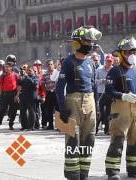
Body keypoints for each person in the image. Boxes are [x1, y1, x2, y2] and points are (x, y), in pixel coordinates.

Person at [56, 26, 102, 180]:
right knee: (73, 138)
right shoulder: (69, 61)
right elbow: (59, 87)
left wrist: (97, 107)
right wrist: (62, 108)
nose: (89, 44)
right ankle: (72, 174)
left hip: (90, 103)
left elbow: (94, 86)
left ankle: (84, 174)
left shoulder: (91, 62)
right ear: (77, 42)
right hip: (73, 102)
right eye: (86, 41)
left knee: (89, 139)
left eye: (90, 41)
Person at [104, 37, 136, 180]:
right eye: (128, 51)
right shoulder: (115, 71)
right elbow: (108, 91)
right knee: (118, 139)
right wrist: (123, 96)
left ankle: (135, 168)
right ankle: (113, 171)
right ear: (121, 53)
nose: (131, 54)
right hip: (121, 108)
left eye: (133, 51)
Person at [0, 62, 20, 130]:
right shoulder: (3, 75)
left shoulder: (16, 75)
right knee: (1, 110)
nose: (6, 68)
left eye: (7, 67)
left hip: (13, 94)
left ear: (11, 67)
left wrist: (17, 95)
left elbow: (18, 86)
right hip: (4, 94)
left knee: (13, 110)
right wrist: (0, 95)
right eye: (5, 67)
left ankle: (11, 124)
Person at [95, 54, 113, 135]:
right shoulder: (99, 69)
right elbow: (94, 80)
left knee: (108, 112)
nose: (109, 63)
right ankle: (96, 129)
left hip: (110, 93)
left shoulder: (114, 70)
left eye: (110, 61)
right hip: (100, 92)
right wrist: (101, 81)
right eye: (107, 61)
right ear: (105, 61)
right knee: (101, 112)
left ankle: (107, 129)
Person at [17, 65, 39, 130]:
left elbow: (34, 85)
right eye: (28, 70)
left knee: (31, 112)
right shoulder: (25, 77)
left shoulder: (35, 77)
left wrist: (27, 77)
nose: (29, 72)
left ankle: (31, 126)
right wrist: (21, 77)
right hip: (23, 96)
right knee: (22, 112)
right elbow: (19, 83)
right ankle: (24, 126)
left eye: (30, 70)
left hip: (31, 97)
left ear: (33, 71)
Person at [41, 60, 58, 130]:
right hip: (49, 93)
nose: (50, 66)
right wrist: (45, 92)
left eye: (51, 64)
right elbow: (42, 84)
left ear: (54, 65)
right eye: (48, 64)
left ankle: (59, 125)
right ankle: (50, 125)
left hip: (56, 93)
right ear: (46, 66)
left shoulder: (57, 73)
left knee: (58, 110)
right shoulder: (45, 74)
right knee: (49, 110)